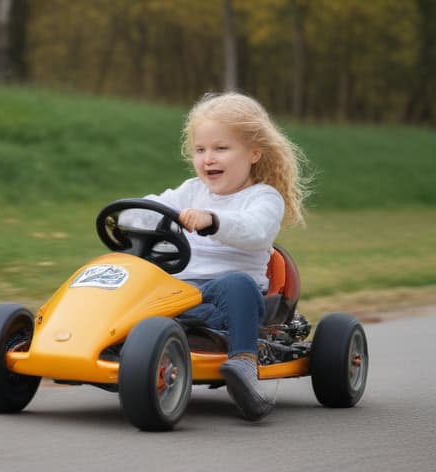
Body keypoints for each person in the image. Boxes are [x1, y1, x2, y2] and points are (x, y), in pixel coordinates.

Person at [123, 92, 309, 420]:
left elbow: (256, 231)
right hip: (179, 294)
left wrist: (214, 221)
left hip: (232, 301)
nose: (208, 158)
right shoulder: (191, 190)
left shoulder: (264, 198)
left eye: (221, 148)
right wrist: (127, 215)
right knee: (129, 275)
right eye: (200, 150)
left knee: (234, 283)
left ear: (254, 153)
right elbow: (150, 207)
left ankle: (243, 367)